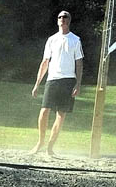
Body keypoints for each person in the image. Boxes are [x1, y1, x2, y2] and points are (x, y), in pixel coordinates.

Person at [30, 10, 83, 157]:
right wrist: (37, 84)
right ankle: (40, 142)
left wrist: (78, 84)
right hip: (52, 79)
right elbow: (45, 62)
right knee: (44, 111)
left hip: (68, 80)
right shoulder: (52, 39)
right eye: (60, 17)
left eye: (65, 17)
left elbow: (79, 63)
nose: (62, 19)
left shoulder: (75, 40)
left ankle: (50, 147)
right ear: (57, 20)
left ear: (69, 20)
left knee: (61, 115)